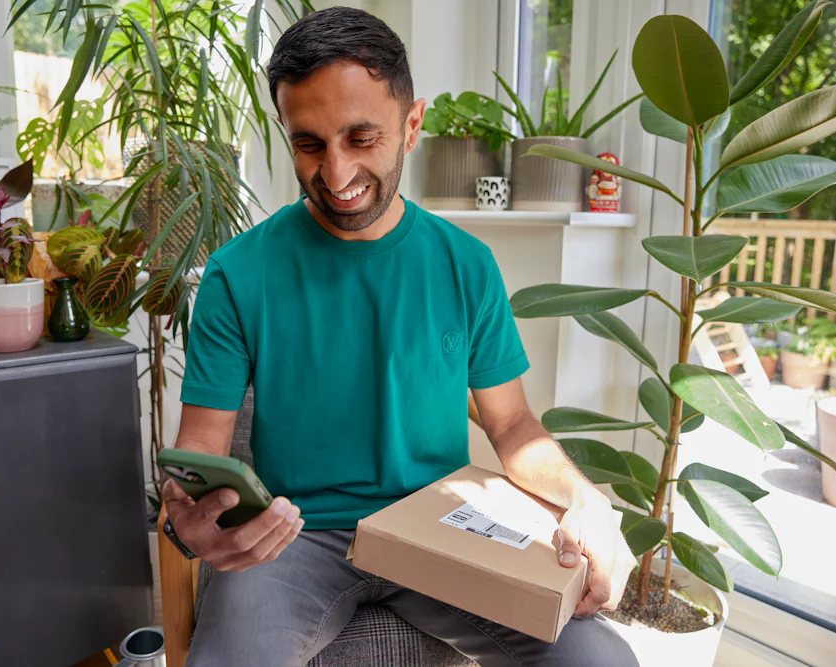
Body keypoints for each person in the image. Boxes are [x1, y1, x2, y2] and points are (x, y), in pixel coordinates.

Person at [162, 7, 638, 666]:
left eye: (362, 137)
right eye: (309, 143)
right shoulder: (238, 274)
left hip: (442, 527)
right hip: (298, 537)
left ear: (413, 124)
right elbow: (201, 447)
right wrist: (185, 516)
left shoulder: (465, 264)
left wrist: (587, 501)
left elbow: (514, 426)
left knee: (601, 661)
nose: (336, 174)